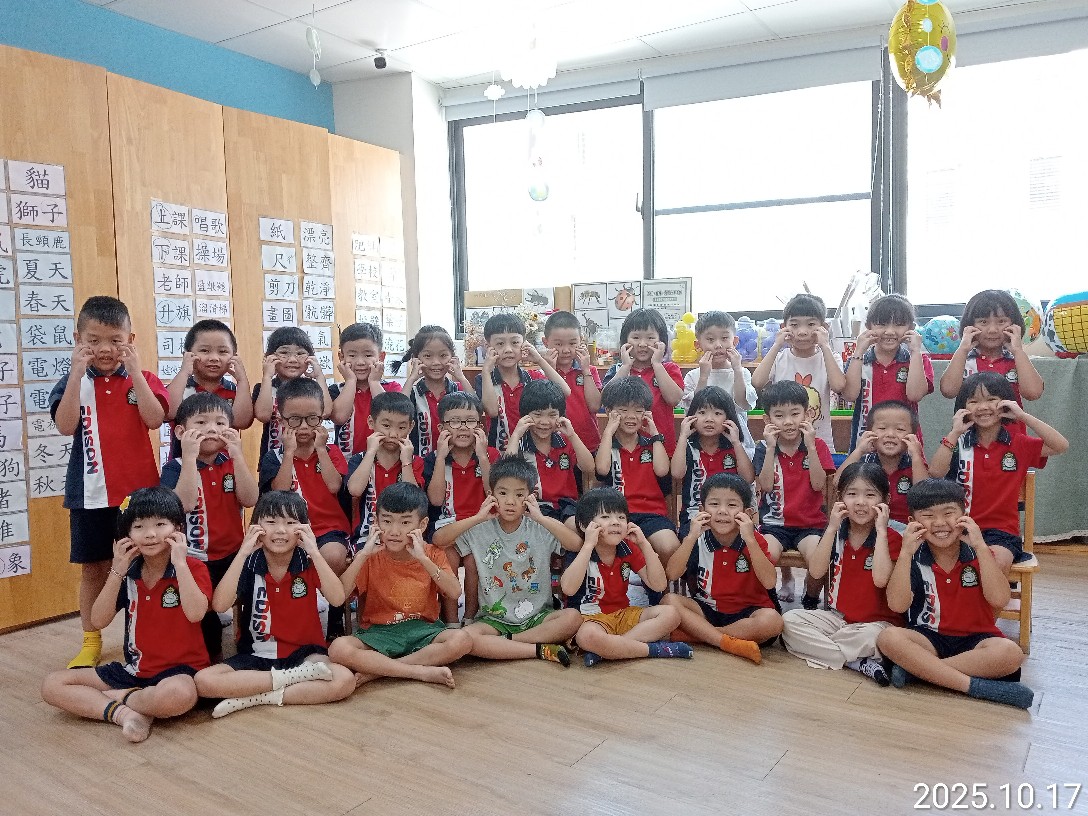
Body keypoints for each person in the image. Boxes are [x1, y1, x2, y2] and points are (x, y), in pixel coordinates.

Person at [50, 296, 170, 669]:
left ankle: (149, 636)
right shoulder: (72, 382)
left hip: (140, 499)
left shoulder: (144, 378)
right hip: (88, 495)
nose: (105, 349)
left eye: (116, 340)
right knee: (93, 569)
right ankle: (91, 641)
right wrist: (75, 375)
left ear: (130, 339)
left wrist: (135, 373)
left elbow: (155, 419)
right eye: (94, 340)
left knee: (150, 565)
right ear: (78, 340)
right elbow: (65, 426)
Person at [40, 488, 210, 742]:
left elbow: (196, 613)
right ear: (127, 535)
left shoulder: (193, 568)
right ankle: (127, 713)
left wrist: (180, 563)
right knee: (53, 685)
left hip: (180, 672)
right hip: (134, 670)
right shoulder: (128, 572)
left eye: (160, 524)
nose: (150, 534)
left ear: (177, 529)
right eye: (139, 526)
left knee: (178, 695)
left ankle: (121, 698)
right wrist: (117, 570)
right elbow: (98, 620)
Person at [193, 492, 356, 717]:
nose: (280, 530)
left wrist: (315, 551)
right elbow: (220, 605)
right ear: (256, 527)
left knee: (344, 679)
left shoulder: (308, 561)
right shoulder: (248, 562)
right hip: (256, 654)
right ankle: (287, 682)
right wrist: (242, 552)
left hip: (305, 655)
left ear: (304, 528)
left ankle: (254, 698)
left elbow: (337, 598)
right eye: (271, 522)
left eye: (290, 523)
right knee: (203, 681)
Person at [877, 479, 1034, 709]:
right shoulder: (912, 556)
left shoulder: (980, 552)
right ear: (912, 522)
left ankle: (919, 672)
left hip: (977, 640)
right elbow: (897, 605)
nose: (940, 523)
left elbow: (1000, 599)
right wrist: (905, 553)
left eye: (948, 513)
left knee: (1010, 653)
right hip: (928, 637)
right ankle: (975, 686)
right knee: (888, 638)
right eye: (928, 516)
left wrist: (980, 546)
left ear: (965, 516)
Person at [432, 456, 584, 666]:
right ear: (491, 495)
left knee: (573, 618)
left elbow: (576, 544)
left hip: (538, 616)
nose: (510, 501)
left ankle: (506, 644)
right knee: (465, 638)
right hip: (493, 620)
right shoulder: (479, 529)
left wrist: (540, 517)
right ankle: (539, 649)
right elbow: (439, 540)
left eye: (519, 494)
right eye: (503, 493)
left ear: (530, 497)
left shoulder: (539, 527)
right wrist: (477, 517)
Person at [328, 483, 473, 688]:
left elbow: (454, 591)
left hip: (423, 631)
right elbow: (339, 597)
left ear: (422, 525)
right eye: (387, 521)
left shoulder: (431, 553)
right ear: (376, 521)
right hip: (379, 633)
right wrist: (362, 555)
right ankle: (418, 671)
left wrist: (423, 559)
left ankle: (380, 672)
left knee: (462, 640)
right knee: (338, 648)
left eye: (405, 522)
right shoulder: (369, 556)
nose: (394, 531)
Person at [928, 372, 1067, 574]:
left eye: (991, 399)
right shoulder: (957, 442)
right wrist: (955, 432)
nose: (983, 407)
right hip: (959, 527)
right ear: (963, 407)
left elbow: (1061, 445)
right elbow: (935, 472)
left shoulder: (1018, 443)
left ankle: (994, 594)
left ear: (1006, 403)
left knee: (994, 563)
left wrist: (1022, 416)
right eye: (973, 401)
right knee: (953, 562)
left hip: (1001, 533)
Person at [781, 462, 903, 685]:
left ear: (885, 500)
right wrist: (831, 528)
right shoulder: (836, 533)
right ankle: (857, 662)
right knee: (789, 621)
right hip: (839, 620)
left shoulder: (891, 538)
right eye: (852, 494)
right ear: (840, 498)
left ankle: (829, 649)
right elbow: (816, 571)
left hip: (877, 626)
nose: (860, 502)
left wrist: (881, 531)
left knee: (875, 638)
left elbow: (880, 579)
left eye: (870, 495)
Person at [160, 392, 258, 660]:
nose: (212, 429)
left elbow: (250, 499)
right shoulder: (175, 467)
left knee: (252, 595)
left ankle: (249, 646)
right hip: (195, 558)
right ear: (181, 432)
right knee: (205, 617)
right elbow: (184, 504)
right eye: (201, 423)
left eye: (220, 423)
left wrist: (238, 456)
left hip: (234, 554)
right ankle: (209, 656)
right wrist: (189, 458)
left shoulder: (231, 463)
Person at [258, 377, 352, 636]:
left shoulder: (331, 452)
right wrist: (289, 453)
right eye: (294, 420)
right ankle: (295, 617)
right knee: (278, 558)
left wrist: (321, 450)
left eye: (312, 419)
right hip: (289, 529)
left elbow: (334, 486)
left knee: (334, 555)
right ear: (281, 420)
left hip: (329, 529)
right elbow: (278, 492)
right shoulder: (274, 457)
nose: (303, 427)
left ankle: (335, 617)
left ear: (322, 418)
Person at [561, 488, 692, 667]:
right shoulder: (581, 550)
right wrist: (588, 545)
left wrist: (644, 544)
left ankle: (610, 650)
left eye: (621, 517)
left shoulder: (628, 547)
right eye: (605, 517)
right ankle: (653, 650)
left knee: (671, 614)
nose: (616, 522)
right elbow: (568, 589)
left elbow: (659, 584)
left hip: (623, 614)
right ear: (585, 525)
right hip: (591, 619)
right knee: (587, 636)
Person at [663, 474, 783, 664]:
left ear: (747, 513)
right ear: (702, 510)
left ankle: (700, 635)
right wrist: (690, 537)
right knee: (669, 600)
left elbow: (769, 582)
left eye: (732, 505)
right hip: (706, 609)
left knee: (773, 621)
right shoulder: (697, 539)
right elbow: (672, 574)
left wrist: (750, 540)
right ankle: (726, 641)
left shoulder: (754, 540)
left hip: (747, 612)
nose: (722, 511)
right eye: (714, 504)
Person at [595, 377, 680, 608]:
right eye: (623, 410)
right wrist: (608, 432)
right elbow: (601, 469)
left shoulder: (651, 443)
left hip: (652, 514)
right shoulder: (608, 446)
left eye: (638, 410)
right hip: (618, 515)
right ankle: (608, 597)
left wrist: (655, 434)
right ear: (610, 412)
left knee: (669, 546)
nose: (631, 416)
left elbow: (662, 470)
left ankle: (658, 591)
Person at [753, 380, 836, 608]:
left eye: (795, 413)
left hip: (810, 525)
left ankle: (811, 598)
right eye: (779, 415)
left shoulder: (817, 446)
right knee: (763, 555)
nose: (788, 421)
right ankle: (770, 600)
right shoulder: (763, 448)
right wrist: (770, 448)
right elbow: (765, 486)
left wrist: (811, 447)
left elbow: (819, 485)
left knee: (818, 559)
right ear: (768, 420)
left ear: (807, 415)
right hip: (774, 524)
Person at [423, 390, 501, 623]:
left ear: (481, 426)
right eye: (455, 421)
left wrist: (483, 457)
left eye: (470, 421)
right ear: (442, 428)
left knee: (474, 559)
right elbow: (436, 500)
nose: (463, 428)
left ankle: (470, 617)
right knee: (447, 556)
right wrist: (440, 458)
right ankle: (451, 621)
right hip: (448, 525)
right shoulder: (433, 459)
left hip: (483, 523)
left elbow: (495, 494)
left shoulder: (491, 455)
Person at [939, 289, 1044, 434]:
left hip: (1013, 439)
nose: (993, 329)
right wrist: (962, 350)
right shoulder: (964, 359)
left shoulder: (1017, 359)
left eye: (1001, 321)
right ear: (969, 326)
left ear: (1014, 324)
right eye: (983, 322)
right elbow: (948, 391)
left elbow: (1033, 393)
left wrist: (1018, 352)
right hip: (970, 439)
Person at [752, 293, 845, 451]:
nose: (802, 331)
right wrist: (776, 345)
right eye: (794, 325)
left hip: (820, 442)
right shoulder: (780, 358)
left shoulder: (830, 357)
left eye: (811, 324)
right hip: (784, 444)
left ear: (824, 327)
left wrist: (825, 345)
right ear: (784, 327)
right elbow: (757, 382)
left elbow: (838, 386)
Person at [842, 294, 933, 452]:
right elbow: (849, 395)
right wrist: (859, 351)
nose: (890, 331)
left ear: (911, 328)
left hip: (905, 445)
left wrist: (915, 351)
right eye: (881, 324)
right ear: (869, 326)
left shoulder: (918, 359)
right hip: (866, 444)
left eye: (899, 324)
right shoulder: (858, 360)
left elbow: (915, 395)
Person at [671, 386, 755, 541]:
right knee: (696, 540)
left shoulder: (733, 446)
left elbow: (748, 478)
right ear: (692, 416)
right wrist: (682, 437)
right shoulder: (687, 446)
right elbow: (677, 473)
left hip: (729, 516)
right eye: (702, 412)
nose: (709, 419)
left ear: (729, 418)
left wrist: (736, 442)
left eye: (717, 413)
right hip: (695, 514)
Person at [504, 380, 594, 524]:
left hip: (567, 506)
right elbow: (505, 473)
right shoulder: (519, 444)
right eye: (538, 414)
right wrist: (515, 436)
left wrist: (572, 435)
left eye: (552, 415)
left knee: (575, 527)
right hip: (533, 506)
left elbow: (589, 467)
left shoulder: (566, 441)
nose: (545, 422)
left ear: (561, 416)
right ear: (525, 416)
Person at [475, 312, 569, 450]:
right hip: (500, 452)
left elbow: (565, 392)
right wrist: (486, 370)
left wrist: (539, 360)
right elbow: (493, 411)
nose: (508, 349)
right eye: (500, 343)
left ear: (524, 343)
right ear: (487, 346)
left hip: (531, 453)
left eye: (515, 343)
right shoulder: (485, 379)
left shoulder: (532, 377)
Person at [345, 391, 425, 549]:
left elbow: (413, 501)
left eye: (401, 427)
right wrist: (370, 453)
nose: (393, 434)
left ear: (411, 427)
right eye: (386, 426)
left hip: (404, 537)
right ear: (371, 422)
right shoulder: (360, 459)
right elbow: (354, 490)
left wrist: (406, 462)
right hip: (367, 535)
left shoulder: (414, 462)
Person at [165, 319, 254, 460]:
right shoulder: (180, 388)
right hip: (183, 467)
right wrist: (184, 372)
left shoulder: (235, 391)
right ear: (187, 355)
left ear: (234, 357)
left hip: (225, 468)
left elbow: (242, 422)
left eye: (223, 351)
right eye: (204, 351)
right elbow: (167, 412)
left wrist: (242, 381)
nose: (214, 358)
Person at [602, 308, 685, 454]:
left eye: (650, 338)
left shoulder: (669, 369)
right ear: (625, 341)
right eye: (635, 337)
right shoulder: (618, 370)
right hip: (624, 449)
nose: (642, 344)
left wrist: (657, 364)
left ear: (661, 341)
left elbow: (674, 399)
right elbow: (605, 400)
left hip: (662, 446)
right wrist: (625, 366)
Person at [836, 400, 928, 526]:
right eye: (882, 428)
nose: (890, 434)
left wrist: (917, 456)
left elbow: (925, 495)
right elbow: (837, 482)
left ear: (912, 435)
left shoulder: (915, 465)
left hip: (905, 528)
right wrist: (858, 451)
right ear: (869, 432)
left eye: (900, 429)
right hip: (867, 527)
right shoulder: (864, 463)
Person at [681, 310, 758, 452]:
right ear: (698, 345)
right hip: (702, 443)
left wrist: (737, 370)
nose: (718, 345)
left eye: (724, 338)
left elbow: (743, 405)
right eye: (710, 340)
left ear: (735, 341)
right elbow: (693, 409)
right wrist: (703, 376)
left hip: (736, 441)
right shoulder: (693, 376)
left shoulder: (742, 372)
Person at [393, 325, 473, 458]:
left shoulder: (458, 389)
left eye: (443, 355)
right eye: (428, 356)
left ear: (453, 357)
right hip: (419, 463)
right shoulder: (411, 392)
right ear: (416, 358)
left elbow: (475, 407)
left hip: (453, 463)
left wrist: (461, 377)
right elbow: (398, 413)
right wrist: (411, 379)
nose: (436, 362)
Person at [253, 326, 332, 459]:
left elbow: (325, 412)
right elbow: (263, 415)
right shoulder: (264, 388)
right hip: (274, 459)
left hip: (308, 459)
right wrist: (267, 376)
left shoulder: (312, 388)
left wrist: (319, 376)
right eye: (284, 353)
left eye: (300, 353)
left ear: (310, 358)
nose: (293, 360)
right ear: (270, 357)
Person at [329, 322, 402, 456]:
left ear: (381, 357)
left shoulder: (392, 388)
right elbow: (339, 417)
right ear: (341, 357)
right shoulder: (337, 390)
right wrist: (350, 381)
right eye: (352, 355)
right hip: (346, 462)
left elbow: (392, 417)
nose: (360, 362)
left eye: (368, 355)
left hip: (384, 462)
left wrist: (374, 382)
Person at [541, 310, 603, 452]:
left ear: (581, 340)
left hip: (588, 443)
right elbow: (542, 405)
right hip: (553, 447)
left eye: (572, 343)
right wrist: (550, 370)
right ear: (545, 342)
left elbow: (595, 406)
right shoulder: (541, 372)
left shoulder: (589, 370)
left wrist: (585, 370)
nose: (566, 350)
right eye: (558, 344)